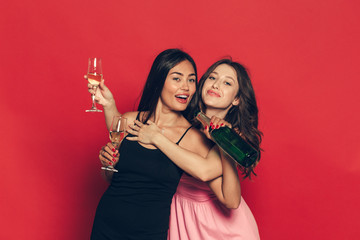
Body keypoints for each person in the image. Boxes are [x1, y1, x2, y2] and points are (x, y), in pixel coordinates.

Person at [95, 58, 262, 239]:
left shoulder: (229, 136)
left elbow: (221, 189)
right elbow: (124, 132)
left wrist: (225, 143)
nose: (216, 85)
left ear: (237, 98)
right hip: (184, 219)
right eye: (212, 78)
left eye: (227, 82)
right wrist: (109, 105)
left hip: (221, 226)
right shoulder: (190, 123)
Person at [90, 49, 214, 240]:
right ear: (159, 81)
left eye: (191, 80)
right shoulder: (131, 120)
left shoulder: (192, 137)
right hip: (106, 226)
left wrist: (157, 138)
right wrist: (109, 164)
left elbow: (209, 173)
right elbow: (109, 177)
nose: (186, 87)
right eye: (177, 78)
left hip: (148, 233)